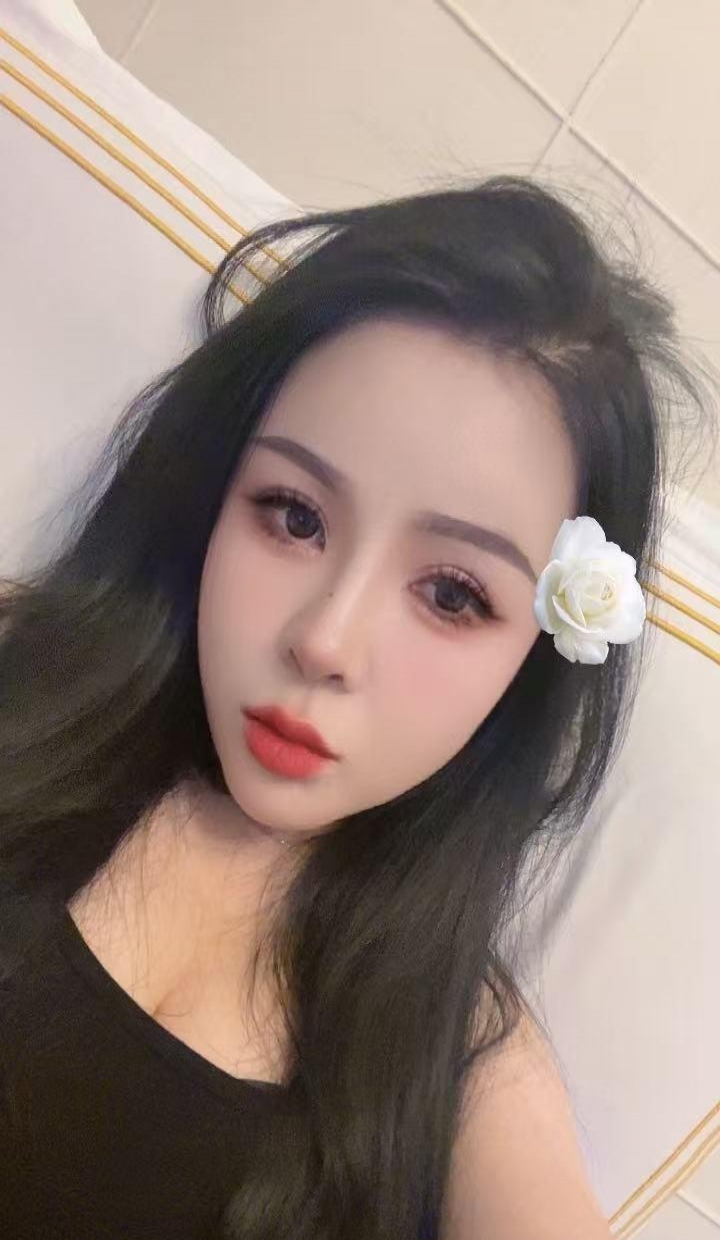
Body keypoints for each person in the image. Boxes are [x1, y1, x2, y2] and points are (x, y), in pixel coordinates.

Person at [0, 176, 712, 1239]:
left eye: (453, 595)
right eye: (293, 515)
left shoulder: (458, 1055)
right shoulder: (23, 672)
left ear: (535, 658)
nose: (325, 640)